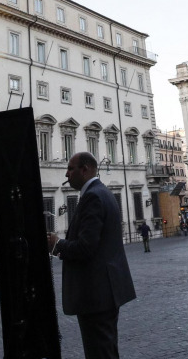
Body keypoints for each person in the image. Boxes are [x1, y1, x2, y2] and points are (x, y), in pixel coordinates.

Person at [47, 152, 136, 359]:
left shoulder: (93, 197)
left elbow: (86, 247)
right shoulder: (101, 193)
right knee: (105, 350)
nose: (67, 174)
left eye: (70, 168)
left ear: (85, 169)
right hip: (105, 292)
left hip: (97, 294)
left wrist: (57, 244)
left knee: (99, 352)